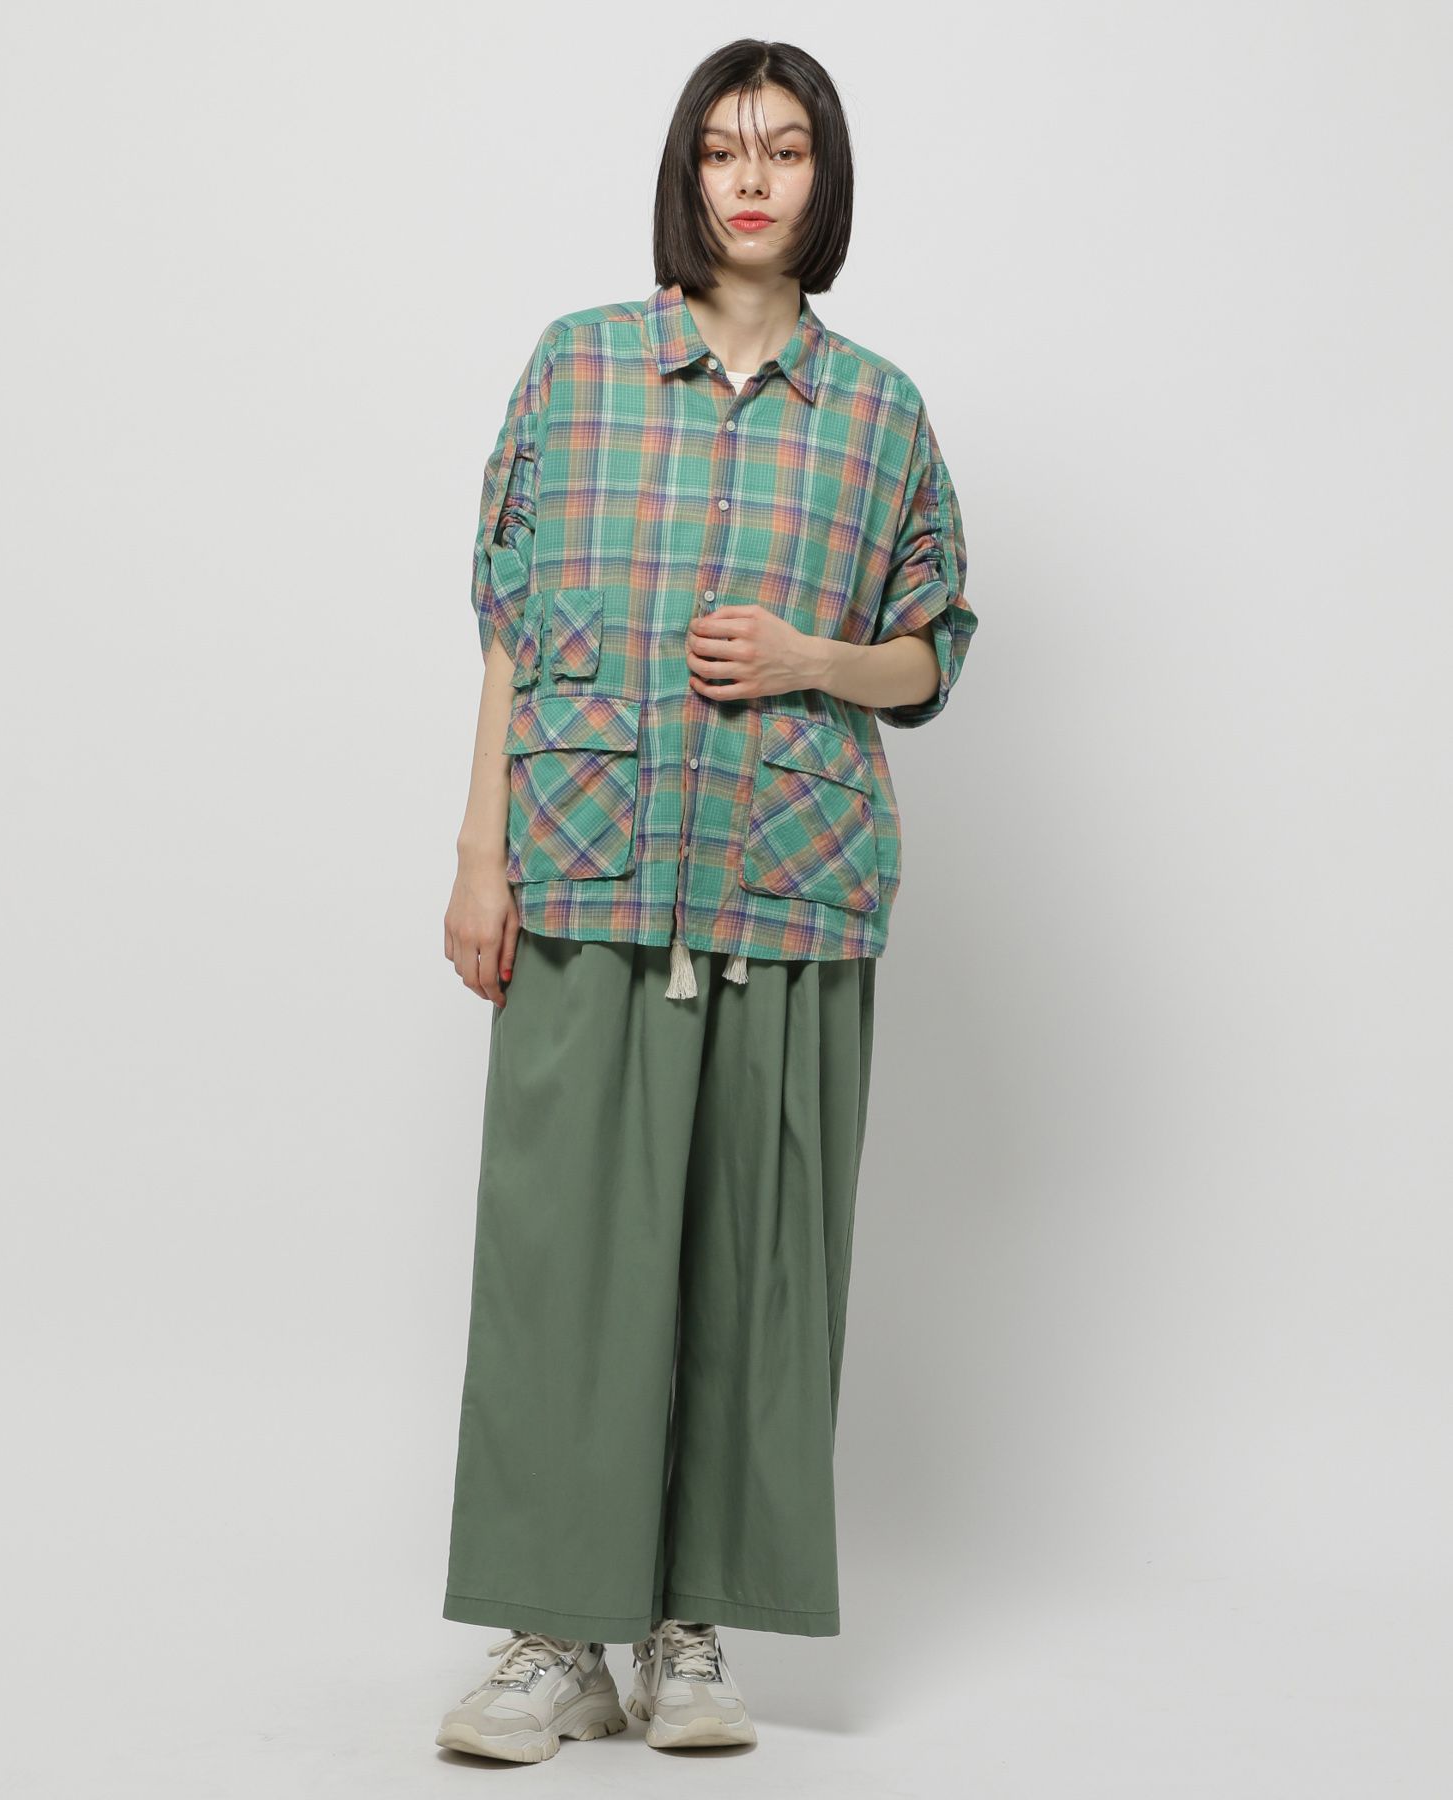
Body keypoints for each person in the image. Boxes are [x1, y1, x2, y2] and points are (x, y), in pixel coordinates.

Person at [434, 37, 979, 1765]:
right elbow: (512, 624)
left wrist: (816, 657)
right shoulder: (579, 366)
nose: (754, 178)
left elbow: (933, 651)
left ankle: (687, 1636)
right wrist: (478, 852)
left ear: (825, 180)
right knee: (564, 1264)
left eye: (788, 149)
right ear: (688, 170)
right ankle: (549, 1638)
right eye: (726, 148)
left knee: (754, 1271)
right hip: (589, 865)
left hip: (788, 885)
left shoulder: (879, 410)